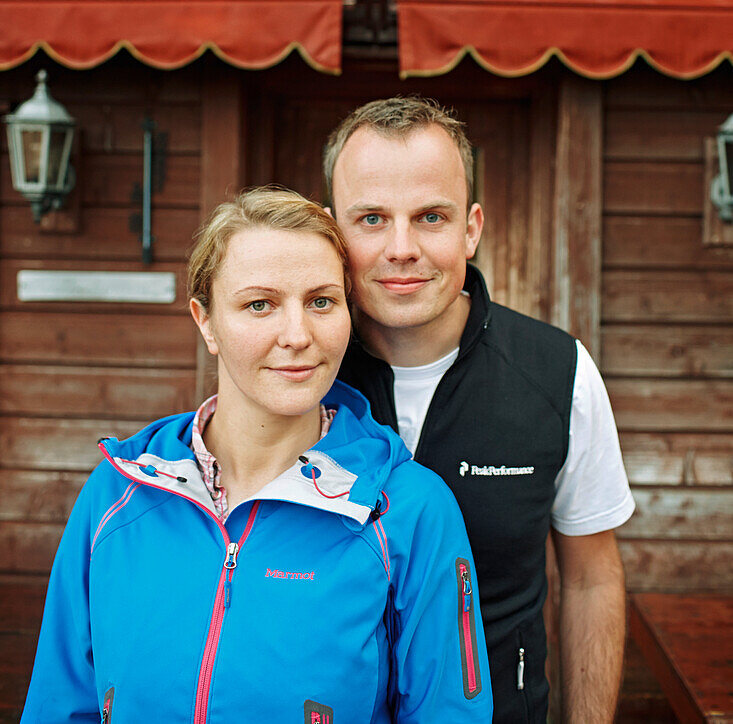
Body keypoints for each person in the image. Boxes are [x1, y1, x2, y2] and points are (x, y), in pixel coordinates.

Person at [21, 187, 493, 723]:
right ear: (206, 321)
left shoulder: (409, 511)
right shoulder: (117, 493)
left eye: (321, 301)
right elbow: (59, 706)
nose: (297, 335)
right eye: (259, 304)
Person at [324, 97, 635, 724]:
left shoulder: (558, 373)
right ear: (333, 231)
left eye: (430, 216)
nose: (402, 247)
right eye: (372, 219)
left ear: (471, 228)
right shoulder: (294, 372)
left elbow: (591, 579)